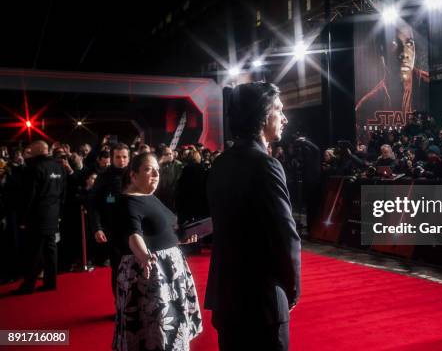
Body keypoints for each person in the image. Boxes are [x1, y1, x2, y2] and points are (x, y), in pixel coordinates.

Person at [205, 82, 301, 351]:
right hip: (262, 301)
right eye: (279, 110)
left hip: (226, 298)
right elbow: (286, 238)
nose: (284, 118)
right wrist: (292, 289)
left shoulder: (220, 164)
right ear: (262, 116)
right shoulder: (267, 165)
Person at [113, 152, 202, 351]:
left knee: (172, 329)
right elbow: (133, 234)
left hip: (169, 271)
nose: (155, 174)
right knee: (155, 332)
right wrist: (144, 256)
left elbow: (165, 229)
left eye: (157, 170)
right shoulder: (128, 201)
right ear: (133, 175)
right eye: (148, 169)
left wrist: (182, 237)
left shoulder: (150, 197)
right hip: (151, 274)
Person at [13, 140, 66, 294]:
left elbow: (30, 196)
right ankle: (51, 282)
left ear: (36, 151)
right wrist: (59, 213)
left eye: (30, 151)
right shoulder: (58, 167)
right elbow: (63, 193)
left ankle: (28, 286)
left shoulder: (34, 168)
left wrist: (23, 218)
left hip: (37, 216)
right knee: (51, 250)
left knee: (34, 252)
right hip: (53, 214)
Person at [91, 143, 130, 296]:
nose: (122, 160)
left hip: (135, 229)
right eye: (118, 157)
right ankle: (120, 305)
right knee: (118, 270)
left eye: (125, 157)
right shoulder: (103, 177)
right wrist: (97, 228)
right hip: (113, 230)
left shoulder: (135, 174)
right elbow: (93, 204)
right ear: (112, 158)